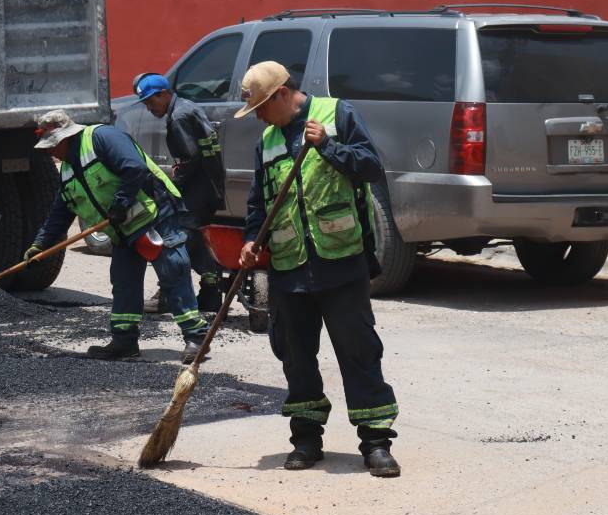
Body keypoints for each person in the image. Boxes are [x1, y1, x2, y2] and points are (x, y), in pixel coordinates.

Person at [234, 61, 401, 478]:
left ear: (282, 95)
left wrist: (328, 146)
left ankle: (376, 442)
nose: (258, 117)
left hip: (340, 261)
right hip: (290, 267)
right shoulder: (268, 141)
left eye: (260, 107)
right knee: (296, 357)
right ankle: (306, 439)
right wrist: (252, 239)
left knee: (358, 351)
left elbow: (371, 167)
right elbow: (259, 203)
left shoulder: (337, 115)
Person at [25, 109, 209, 363]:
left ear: (65, 137)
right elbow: (60, 213)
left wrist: (120, 204)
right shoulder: (67, 171)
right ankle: (124, 341)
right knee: (124, 281)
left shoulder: (102, 138)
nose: (50, 152)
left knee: (172, 270)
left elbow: (134, 167)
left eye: (52, 145)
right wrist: (40, 244)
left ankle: (197, 337)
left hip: (156, 213)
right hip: (123, 228)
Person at [134, 73, 226, 313]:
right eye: (145, 103)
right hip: (209, 187)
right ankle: (210, 294)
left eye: (151, 101)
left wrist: (172, 187)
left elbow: (190, 158)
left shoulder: (178, 117)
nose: (149, 107)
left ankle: (169, 294)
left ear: (164, 94)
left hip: (197, 191)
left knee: (178, 242)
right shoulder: (188, 107)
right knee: (197, 241)